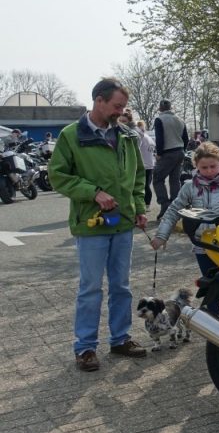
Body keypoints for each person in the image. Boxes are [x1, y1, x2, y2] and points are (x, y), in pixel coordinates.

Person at [48, 77, 148, 372]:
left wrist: (139, 208)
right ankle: (86, 348)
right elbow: (58, 176)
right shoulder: (71, 135)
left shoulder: (128, 136)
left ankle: (120, 339)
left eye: (123, 107)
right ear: (99, 100)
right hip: (91, 225)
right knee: (91, 288)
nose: (120, 111)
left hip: (123, 223)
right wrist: (93, 192)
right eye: (117, 106)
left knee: (122, 286)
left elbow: (138, 177)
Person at [150, 142, 219, 312]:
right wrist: (161, 236)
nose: (209, 171)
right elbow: (173, 211)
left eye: (213, 166)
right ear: (196, 166)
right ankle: (214, 327)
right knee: (210, 286)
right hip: (202, 245)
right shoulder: (190, 186)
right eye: (204, 167)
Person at [153, 99, 188, 220]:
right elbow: (186, 139)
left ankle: (164, 205)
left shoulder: (159, 119)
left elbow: (159, 138)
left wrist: (159, 153)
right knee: (175, 180)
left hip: (167, 152)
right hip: (180, 151)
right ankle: (175, 206)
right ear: (171, 107)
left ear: (160, 108)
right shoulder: (180, 120)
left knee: (157, 178)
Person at [137, 120, 156, 208]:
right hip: (150, 164)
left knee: (143, 185)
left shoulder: (140, 136)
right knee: (147, 185)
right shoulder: (149, 137)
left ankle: (146, 203)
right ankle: (147, 203)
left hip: (143, 164)